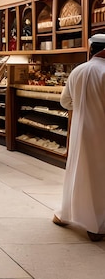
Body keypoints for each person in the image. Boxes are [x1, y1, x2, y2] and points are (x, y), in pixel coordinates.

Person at [54, 33, 105, 241]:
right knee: (99, 176)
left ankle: (68, 214)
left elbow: (65, 102)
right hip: (101, 132)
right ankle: (97, 225)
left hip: (79, 132)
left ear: (91, 49)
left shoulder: (78, 70)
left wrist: (83, 109)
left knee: (77, 172)